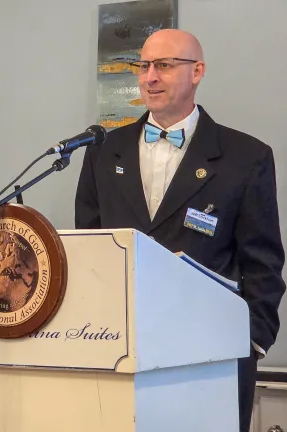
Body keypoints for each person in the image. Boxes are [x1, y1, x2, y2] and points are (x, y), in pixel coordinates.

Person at [74, 29, 285, 432]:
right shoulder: (103, 151)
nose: (150, 77)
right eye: (143, 66)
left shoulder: (247, 157)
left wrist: (252, 343)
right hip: (121, 354)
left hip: (210, 360)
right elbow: (90, 248)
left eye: (164, 65)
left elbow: (263, 263)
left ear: (197, 72)